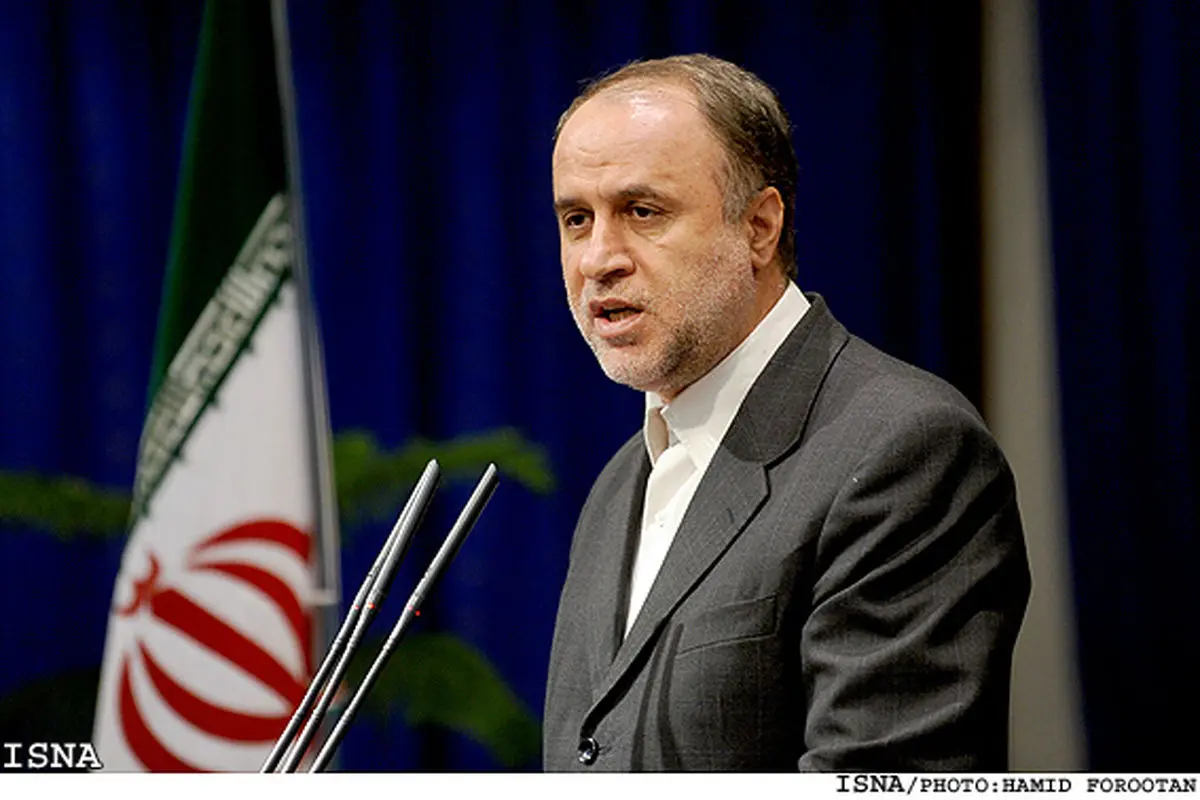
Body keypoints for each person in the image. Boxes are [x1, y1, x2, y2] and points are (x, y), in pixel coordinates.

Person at [543, 54, 1030, 771]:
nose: (597, 259)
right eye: (576, 219)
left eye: (643, 212)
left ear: (759, 227)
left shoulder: (904, 449)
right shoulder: (620, 483)